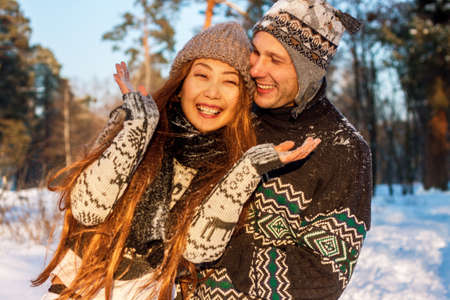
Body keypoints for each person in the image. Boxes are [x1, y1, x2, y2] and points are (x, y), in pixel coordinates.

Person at [33, 22, 320, 300]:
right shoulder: (135, 123)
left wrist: (249, 168)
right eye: (202, 75)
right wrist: (139, 127)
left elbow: (197, 250)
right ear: (181, 84)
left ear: (242, 100)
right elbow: (87, 208)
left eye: (230, 82)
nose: (212, 92)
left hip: (143, 291)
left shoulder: (229, 165)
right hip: (76, 286)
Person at [183, 1, 373, 299]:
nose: (256, 69)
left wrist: (216, 254)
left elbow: (323, 274)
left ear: (307, 70)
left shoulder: (344, 149)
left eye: (275, 59)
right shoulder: (235, 115)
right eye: (256, 52)